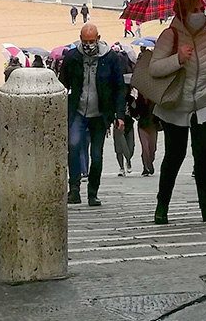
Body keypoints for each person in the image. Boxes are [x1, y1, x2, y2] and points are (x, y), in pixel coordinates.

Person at [150, 0, 206, 224]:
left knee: (204, 158)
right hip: (176, 107)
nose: (200, 14)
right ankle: (162, 207)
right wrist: (177, 58)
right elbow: (154, 69)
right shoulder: (169, 36)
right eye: (195, 10)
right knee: (174, 156)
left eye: (202, 9)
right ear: (182, 13)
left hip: (205, 105)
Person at [58, 22, 126, 206]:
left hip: (100, 114)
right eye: (85, 41)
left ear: (99, 38)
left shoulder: (110, 58)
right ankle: (74, 189)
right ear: (80, 39)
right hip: (78, 111)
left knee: (97, 154)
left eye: (92, 41)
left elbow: (119, 87)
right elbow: (62, 84)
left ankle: (93, 192)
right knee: (72, 145)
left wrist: (120, 115)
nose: (89, 45)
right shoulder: (72, 57)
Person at [133, 85, 159, 176]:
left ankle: (150, 162)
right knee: (145, 148)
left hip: (152, 126)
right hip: (142, 126)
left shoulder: (154, 101)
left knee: (153, 148)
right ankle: (145, 167)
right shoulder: (138, 100)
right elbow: (134, 112)